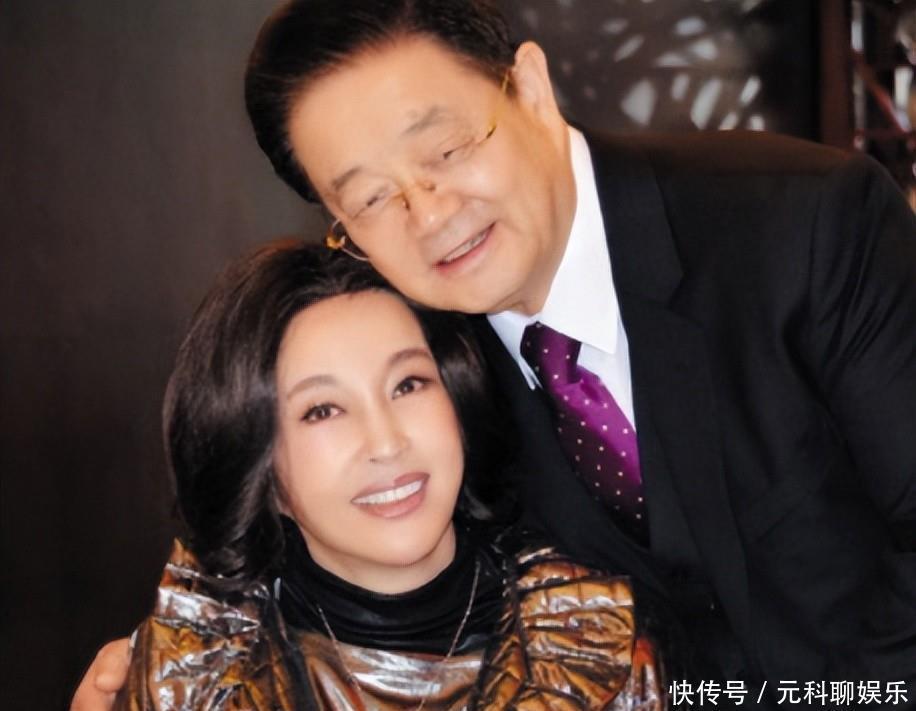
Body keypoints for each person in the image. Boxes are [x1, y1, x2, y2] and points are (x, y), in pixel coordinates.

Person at [74, 0, 916, 708]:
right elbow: (294, 485)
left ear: (533, 88)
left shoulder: (802, 227)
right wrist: (171, 660)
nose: (431, 213)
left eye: (445, 151)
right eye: (372, 197)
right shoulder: (412, 348)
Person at [109, 240, 665, 710]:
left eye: (408, 385)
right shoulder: (197, 673)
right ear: (257, 461)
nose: (386, 442)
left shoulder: (592, 642)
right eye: (322, 411)